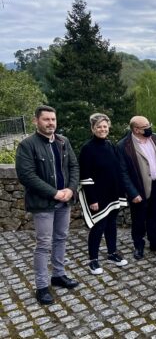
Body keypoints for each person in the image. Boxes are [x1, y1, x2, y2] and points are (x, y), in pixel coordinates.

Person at [15, 105, 80, 305]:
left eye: (53, 119)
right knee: (43, 245)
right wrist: (54, 193)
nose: (51, 123)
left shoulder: (63, 141)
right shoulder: (27, 145)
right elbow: (27, 176)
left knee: (61, 238)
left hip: (65, 200)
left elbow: (74, 166)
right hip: (44, 204)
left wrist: (70, 188)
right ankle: (42, 286)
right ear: (36, 121)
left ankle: (58, 275)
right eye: (46, 119)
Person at [78, 113, 128, 275]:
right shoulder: (87, 149)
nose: (102, 129)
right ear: (92, 128)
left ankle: (112, 253)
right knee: (98, 226)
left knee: (111, 225)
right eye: (99, 127)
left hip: (113, 194)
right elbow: (84, 176)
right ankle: (93, 260)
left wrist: (121, 192)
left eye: (105, 126)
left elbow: (116, 170)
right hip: (98, 196)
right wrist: (92, 198)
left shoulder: (110, 145)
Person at [117, 116, 156, 260]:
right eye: (146, 126)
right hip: (139, 187)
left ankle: (155, 242)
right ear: (136, 129)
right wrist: (133, 193)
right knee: (139, 219)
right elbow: (123, 172)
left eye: (149, 124)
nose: (149, 128)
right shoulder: (124, 145)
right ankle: (138, 246)